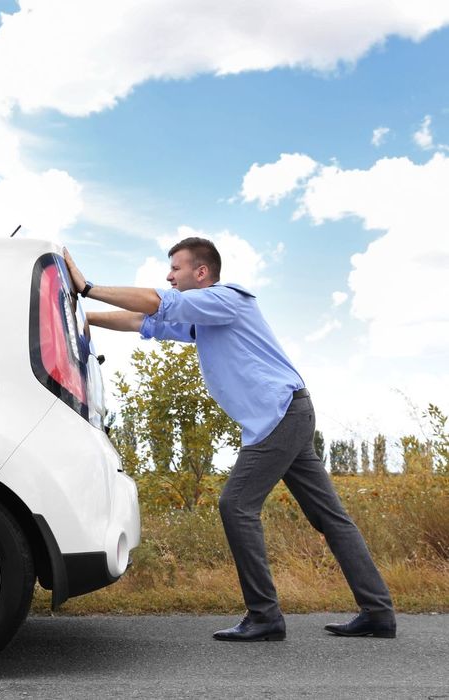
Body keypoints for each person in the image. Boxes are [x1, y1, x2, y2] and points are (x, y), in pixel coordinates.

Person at [64, 237, 396, 641]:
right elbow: (141, 321)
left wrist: (87, 287)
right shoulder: (205, 316)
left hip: (279, 415)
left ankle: (264, 616)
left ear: (200, 272)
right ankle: (378, 612)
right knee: (330, 516)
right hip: (285, 413)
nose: (169, 275)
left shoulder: (225, 299)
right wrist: (84, 316)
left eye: (176, 268)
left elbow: (157, 302)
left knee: (236, 504)